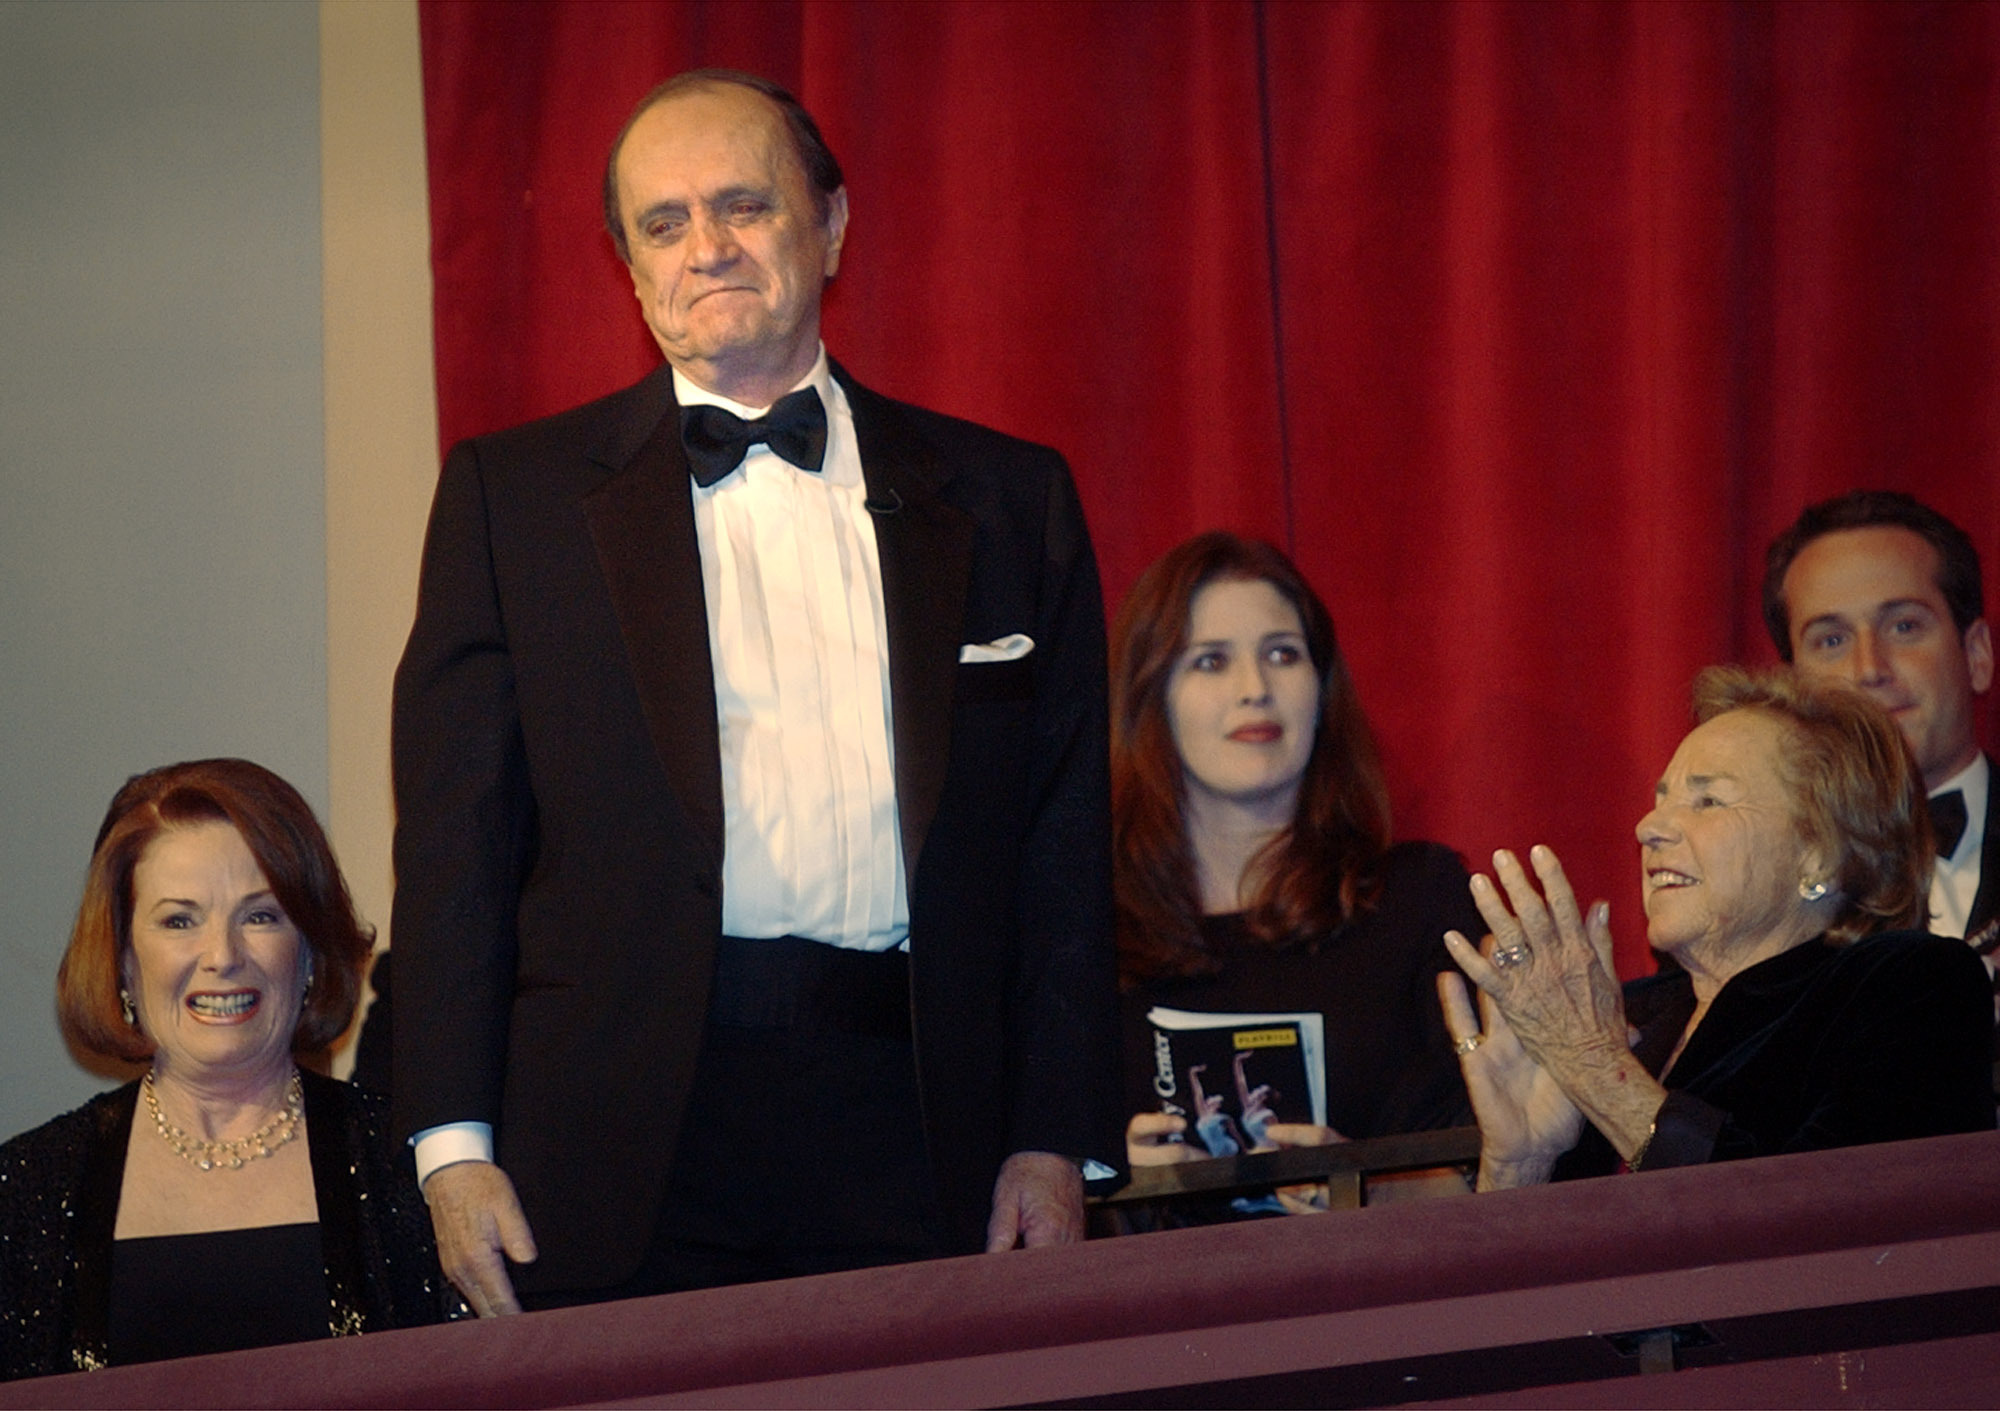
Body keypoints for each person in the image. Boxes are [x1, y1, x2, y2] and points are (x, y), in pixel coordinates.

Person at [392, 69, 1118, 1315]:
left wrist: (1054, 1136)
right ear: (627, 266)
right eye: (662, 224)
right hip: (614, 1139)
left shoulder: (1008, 500)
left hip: (920, 1124)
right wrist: (451, 1149)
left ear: (830, 224)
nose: (706, 248)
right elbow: (455, 846)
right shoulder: (510, 503)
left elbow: (1061, 852)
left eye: (742, 205)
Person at [1438, 668, 1994, 1191]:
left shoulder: (1913, 986)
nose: (1648, 827)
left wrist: (1596, 1072)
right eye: (1661, 801)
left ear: (1820, 855)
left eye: (1707, 801)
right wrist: (1520, 1164)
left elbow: (1824, 1225)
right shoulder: (1628, 1023)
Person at [0, 760, 445, 1381]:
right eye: (179, 920)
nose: (223, 957)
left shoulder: (410, 1170)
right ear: (123, 959)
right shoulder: (24, 1193)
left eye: (260, 916)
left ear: (310, 950)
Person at [1112, 533, 1479, 1198]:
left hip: (1388, 1296)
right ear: (1150, 696)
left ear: (1321, 687)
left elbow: (1510, 1166)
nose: (1254, 689)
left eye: (1281, 654)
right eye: (1210, 661)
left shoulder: (1420, 902)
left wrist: (1364, 1188)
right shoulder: (1085, 941)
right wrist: (1123, 1194)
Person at [1762, 491, 1997, 964]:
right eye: (1831, 640)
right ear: (1791, 693)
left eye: (1904, 626)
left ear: (1976, 655)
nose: (1870, 668)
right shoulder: (1754, 886)